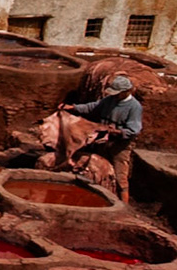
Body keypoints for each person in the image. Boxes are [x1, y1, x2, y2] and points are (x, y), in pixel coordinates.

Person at [60, 73, 143, 201]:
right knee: (97, 169)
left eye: (118, 93)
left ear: (127, 91)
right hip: (103, 141)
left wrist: (117, 132)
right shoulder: (110, 100)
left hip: (119, 146)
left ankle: (124, 206)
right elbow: (92, 107)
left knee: (120, 176)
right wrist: (73, 108)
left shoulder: (134, 107)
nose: (115, 95)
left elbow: (134, 129)